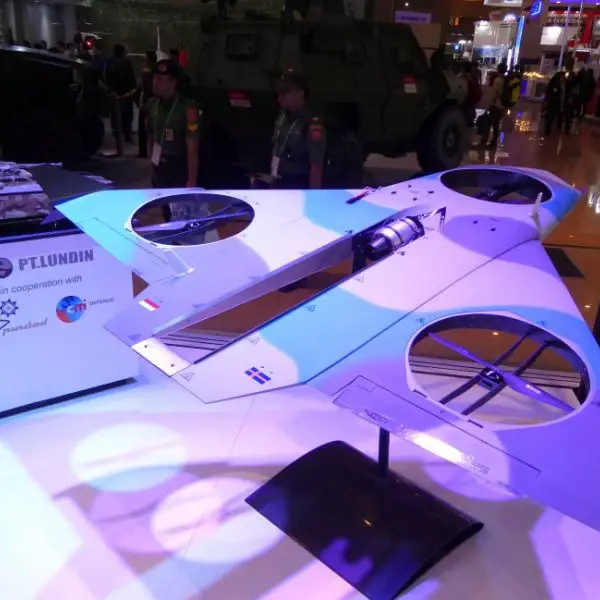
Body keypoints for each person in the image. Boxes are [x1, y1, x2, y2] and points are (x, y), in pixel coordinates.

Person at [263, 69, 327, 190]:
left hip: (298, 184)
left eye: (285, 93)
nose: (279, 98)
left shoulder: (311, 123)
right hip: (277, 180)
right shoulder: (283, 114)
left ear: (300, 94)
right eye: (279, 93)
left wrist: (314, 195)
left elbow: (316, 165)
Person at [146, 59, 201, 191]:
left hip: (179, 168)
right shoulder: (152, 104)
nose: (155, 83)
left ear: (173, 82)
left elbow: (192, 147)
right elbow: (151, 137)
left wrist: (192, 179)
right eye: (154, 78)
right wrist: (152, 165)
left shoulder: (189, 108)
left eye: (160, 79)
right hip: (159, 165)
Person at [104, 44, 137, 154]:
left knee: (116, 115)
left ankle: (118, 134)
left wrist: (110, 89)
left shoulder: (110, 61)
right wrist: (132, 89)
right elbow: (131, 77)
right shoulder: (126, 62)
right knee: (127, 113)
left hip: (114, 91)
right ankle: (127, 134)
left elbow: (106, 76)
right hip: (125, 92)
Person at [480, 62, 507, 148]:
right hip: (501, 104)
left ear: (498, 69)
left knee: (489, 123)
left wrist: (488, 104)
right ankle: (493, 142)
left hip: (495, 104)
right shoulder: (505, 80)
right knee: (496, 124)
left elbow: (494, 93)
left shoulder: (497, 80)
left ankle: (486, 141)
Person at [136, 50, 157, 158]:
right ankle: (154, 156)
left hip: (146, 103)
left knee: (145, 130)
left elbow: (144, 88)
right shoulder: (156, 72)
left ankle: (144, 152)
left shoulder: (146, 73)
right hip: (154, 103)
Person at [543, 71, 567, 136]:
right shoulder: (556, 84)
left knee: (551, 116)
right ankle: (548, 129)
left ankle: (548, 129)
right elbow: (554, 92)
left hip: (552, 102)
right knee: (551, 116)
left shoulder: (555, 82)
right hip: (554, 102)